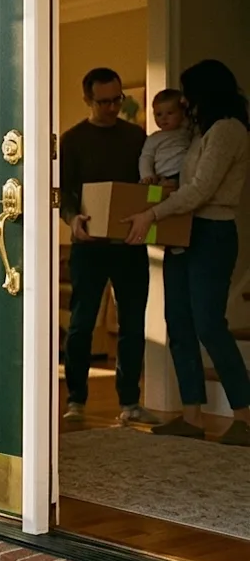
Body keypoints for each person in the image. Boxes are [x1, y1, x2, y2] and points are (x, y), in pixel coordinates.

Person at [121, 59, 250, 445]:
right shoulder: (200, 133)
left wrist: (152, 214)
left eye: (190, 94)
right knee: (178, 324)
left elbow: (201, 191)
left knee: (209, 324)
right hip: (186, 233)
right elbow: (186, 184)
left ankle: (244, 416)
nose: (187, 104)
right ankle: (192, 417)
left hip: (212, 234)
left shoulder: (228, 131)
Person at [60, 67, 159, 425]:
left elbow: (147, 188)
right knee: (82, 324)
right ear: (88, 99)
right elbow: (66, 193)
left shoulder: (137, 137)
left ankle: (130, 403)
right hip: (88, 246)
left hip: (130, 243)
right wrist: (72, 218)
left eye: (118, 99)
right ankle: (76, 400)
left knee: (133, 324)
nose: (112, 107)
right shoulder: (73, 140)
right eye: (104, 102)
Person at [139, 88, 194, 187]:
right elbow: (146, 158)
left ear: (182, 113)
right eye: (159, 114)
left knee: (177, 195)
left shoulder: (186, 131)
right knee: (153, 198)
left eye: (170, 113)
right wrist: (147, 175)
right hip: (160, 177)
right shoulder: (154, 138)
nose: (164, 118)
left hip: (182, 175)